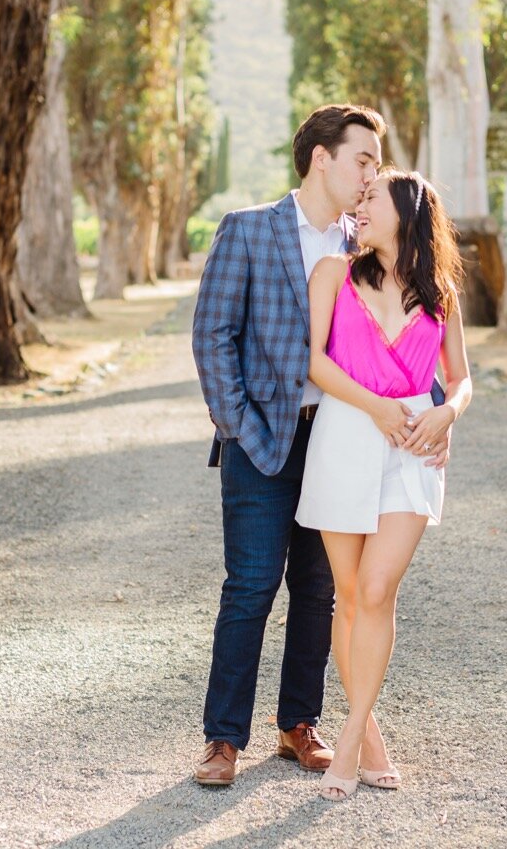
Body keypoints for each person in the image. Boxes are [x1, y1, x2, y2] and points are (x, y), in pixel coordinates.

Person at [189, 106, 451, 786]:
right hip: (262, 436)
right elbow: (212, 337)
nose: (372, 174)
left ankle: (298, 724)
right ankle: (223, 739)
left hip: (342, 439)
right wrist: (239, 425)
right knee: (250, 584)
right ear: (322, 159)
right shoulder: (248, 230)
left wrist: (436, 414)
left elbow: (411, 330)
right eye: (364, 158)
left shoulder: (362, 246)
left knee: (320, 590)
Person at [295, 169, 473, 800]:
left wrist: (447, 412)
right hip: (346, 435)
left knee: (378, 588)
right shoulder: (332, 274)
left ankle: (345, 745)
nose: (359, 206)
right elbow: (315, 360)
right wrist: (373, 404)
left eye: (372, 198)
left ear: (408, 210)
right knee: (349, 594)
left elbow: (461, 380)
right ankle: (369, 735)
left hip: (413, 451)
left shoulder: (441, 290)